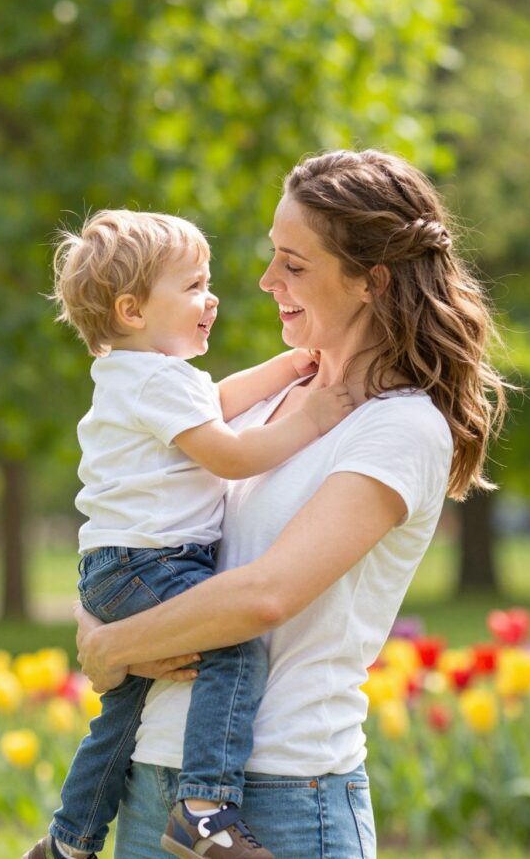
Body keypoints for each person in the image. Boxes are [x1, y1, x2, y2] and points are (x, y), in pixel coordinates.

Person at [74, 150, 508, 859]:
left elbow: (267, 595)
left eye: (294, 265)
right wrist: (101, 620)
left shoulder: (398, 427)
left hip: (281, 794)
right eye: (273, 258)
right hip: (155, 787)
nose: (266, 281)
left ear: (372, 281)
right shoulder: (264, 404)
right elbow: (131, 530)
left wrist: (111, 646)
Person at [25, 209, 355, 859]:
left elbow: (215, 401)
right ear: (132, 309)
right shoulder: (154, 380)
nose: (214, 298)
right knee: (232, 648)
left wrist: (288, 369)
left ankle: (69, 842)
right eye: (195, 286)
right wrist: (310, 418)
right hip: (156, 562)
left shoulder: (135, 376)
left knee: (123, 711)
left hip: (116, 569)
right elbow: (229, 453)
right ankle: (205, 808)